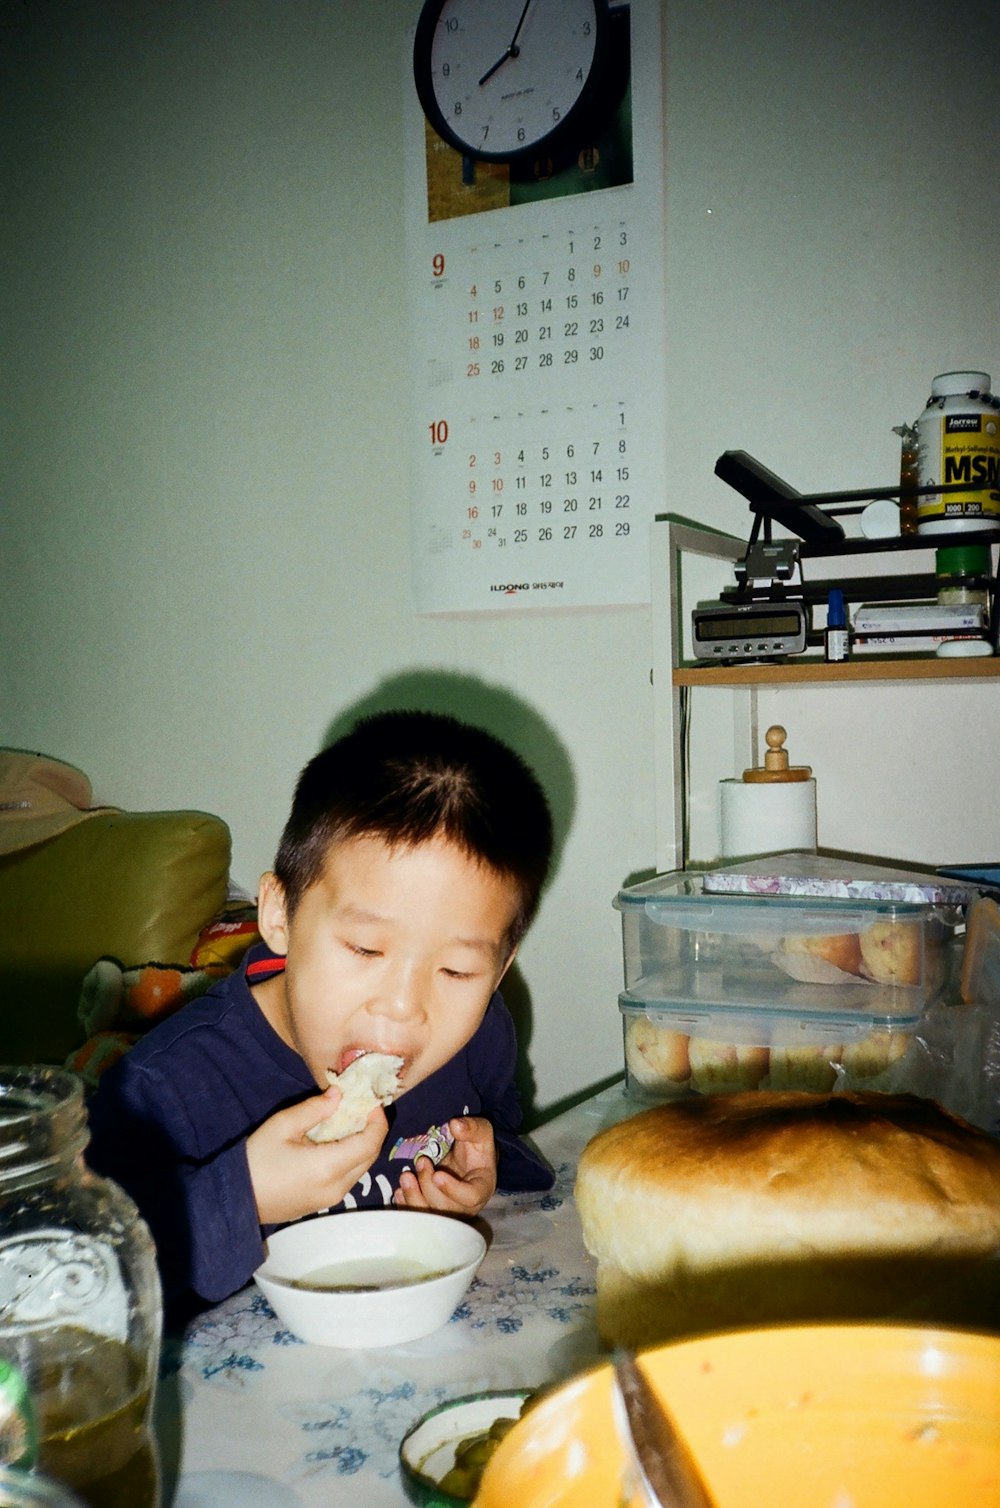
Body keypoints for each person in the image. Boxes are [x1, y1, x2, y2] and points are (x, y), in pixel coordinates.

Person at [86, 710, 555, 1315]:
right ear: (280, 914)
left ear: (500, 967)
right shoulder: (161, 1091)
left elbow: (502, 1125)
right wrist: (245, 1196)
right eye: (364, 948)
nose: (403, 1008)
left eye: (457, 971)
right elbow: (62, 1291)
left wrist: (488, 1163)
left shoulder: (479, 1035)